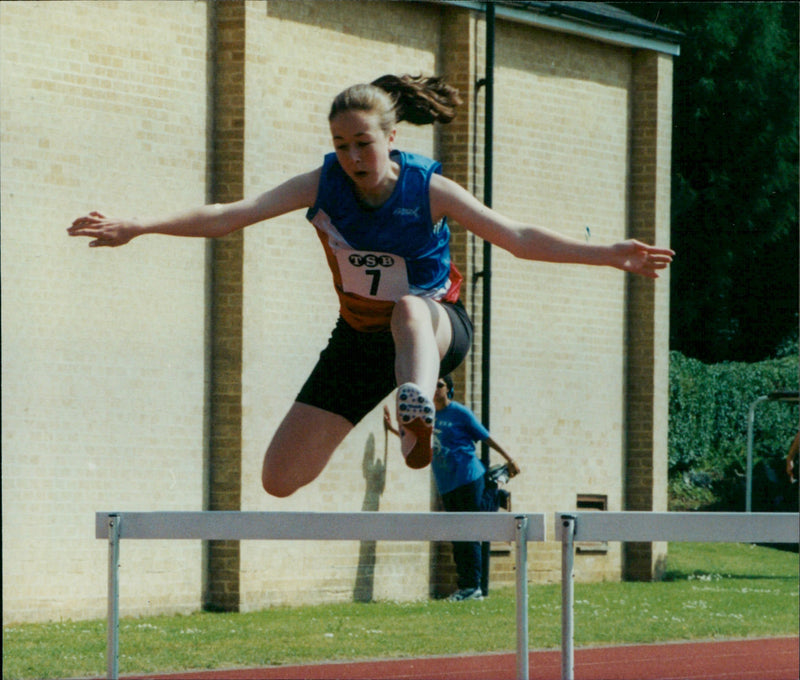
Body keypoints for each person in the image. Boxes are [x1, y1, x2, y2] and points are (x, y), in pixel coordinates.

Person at [68, 74, 674, 499]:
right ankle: (418, 434)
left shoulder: (428, 188)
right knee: (279, 479)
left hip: (436, 327)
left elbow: (514, 236)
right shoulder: (322, 184)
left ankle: (414, 403)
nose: (353, 157)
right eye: (341, 145)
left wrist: (608, 255)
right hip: (358, 341)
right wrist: (139, 226)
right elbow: (233, 213)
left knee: (409, 310)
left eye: (363, 143)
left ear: (391, 139)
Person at [385, 374, 519, 601]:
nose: (435, 389)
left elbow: (486, 437)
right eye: (433, 385)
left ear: (449, 389)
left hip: (468, 477)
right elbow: (418, 440)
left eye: (440, 385)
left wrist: (510, 459)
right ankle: (465, 586)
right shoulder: (428, 415)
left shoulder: (460, 413)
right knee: (457, 535)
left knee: (470, 531)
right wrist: (392, 429)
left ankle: (473, 587)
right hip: (447, 484)